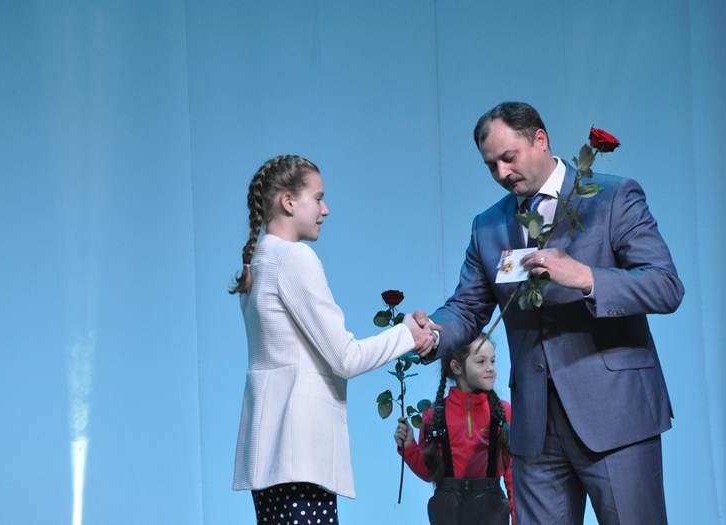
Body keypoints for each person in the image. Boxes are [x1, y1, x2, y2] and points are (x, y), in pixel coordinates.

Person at [415, 102, 684, 524]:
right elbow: (467, 307)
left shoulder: (613, 198)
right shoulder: (487, 226)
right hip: (535, 430)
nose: (502, 173)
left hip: (616, 417)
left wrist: (585, 277)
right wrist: (432, 333)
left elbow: (665, 285)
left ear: (540, 140)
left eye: (509, 158)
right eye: (491, 165)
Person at [230, 154, 435, 525]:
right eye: (318, 198)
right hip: (299, 453)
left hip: (270, 456)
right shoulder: (294, 259)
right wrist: (407, 333)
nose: (325, 210)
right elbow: (346, 358)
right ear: (288, 202)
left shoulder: (258, 261)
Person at [394, 334, 515, 524]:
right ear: (456, 367)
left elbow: (513, 474)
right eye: (481, 362)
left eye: (493, 361)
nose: (490, 368)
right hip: (448, 511)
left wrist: (518, 518)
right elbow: (429, 473)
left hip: (491, 511)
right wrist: (409, 447)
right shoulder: (434, 415)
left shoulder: (502, 413)